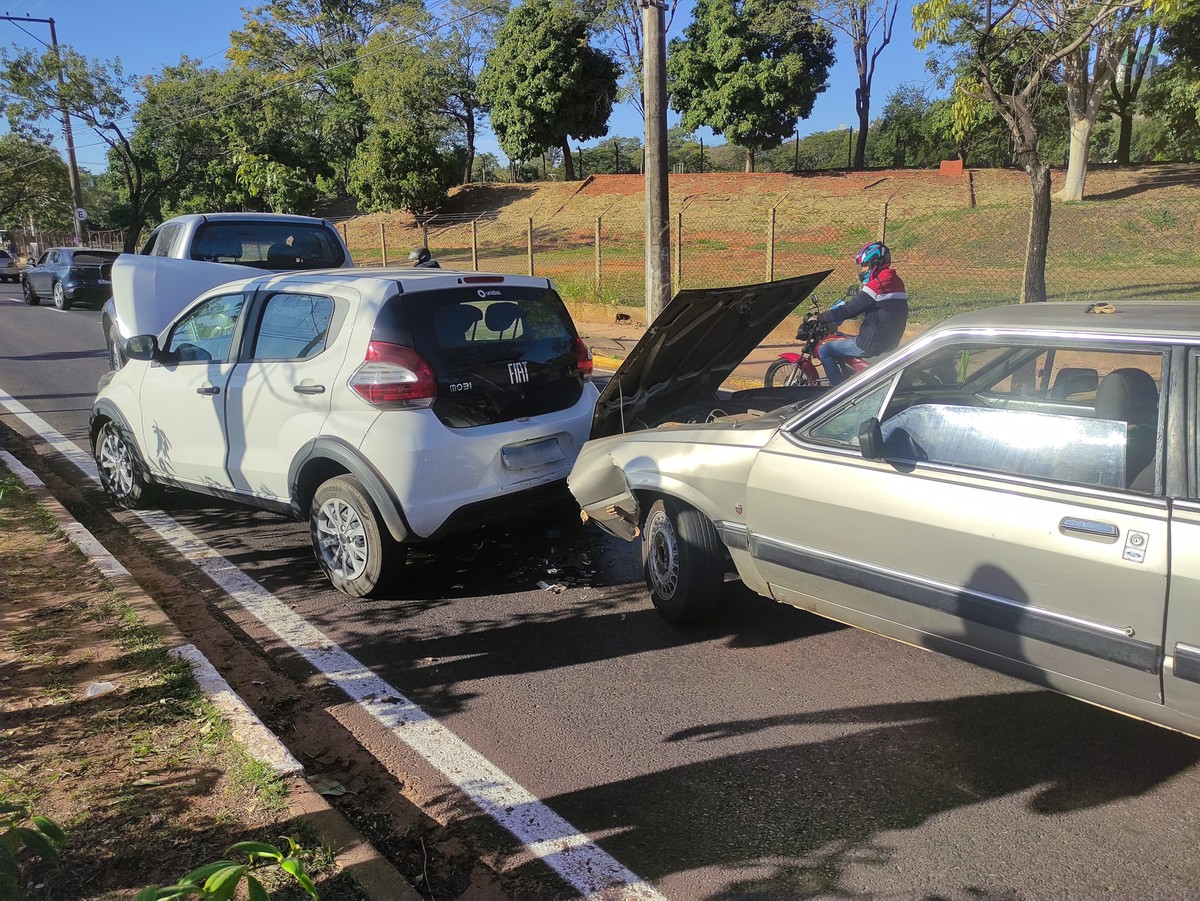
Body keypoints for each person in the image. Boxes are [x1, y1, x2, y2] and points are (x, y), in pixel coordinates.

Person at [812, 240, 907, 387]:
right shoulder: (895, 281)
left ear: (874, 264)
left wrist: (820, 318)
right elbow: (874, 307)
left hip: (871, 344)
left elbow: (849, 310)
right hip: (890, 341)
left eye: (864, 266)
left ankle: (836, 390)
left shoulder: (877, 285)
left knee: (825, 350)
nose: (862, 270)